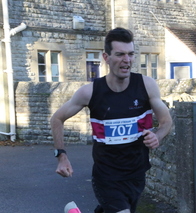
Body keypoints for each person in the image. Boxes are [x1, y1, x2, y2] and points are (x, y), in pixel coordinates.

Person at [50, 27, 173, 213]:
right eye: (120, 54)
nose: (127, 60)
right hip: (106, 176)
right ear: (106, 58)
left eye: (131, 54)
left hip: (136, 174)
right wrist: (61, 156)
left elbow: (166, 121)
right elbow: (57, 118)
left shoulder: (146, 86)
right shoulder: (89, 92)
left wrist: (158, 135)